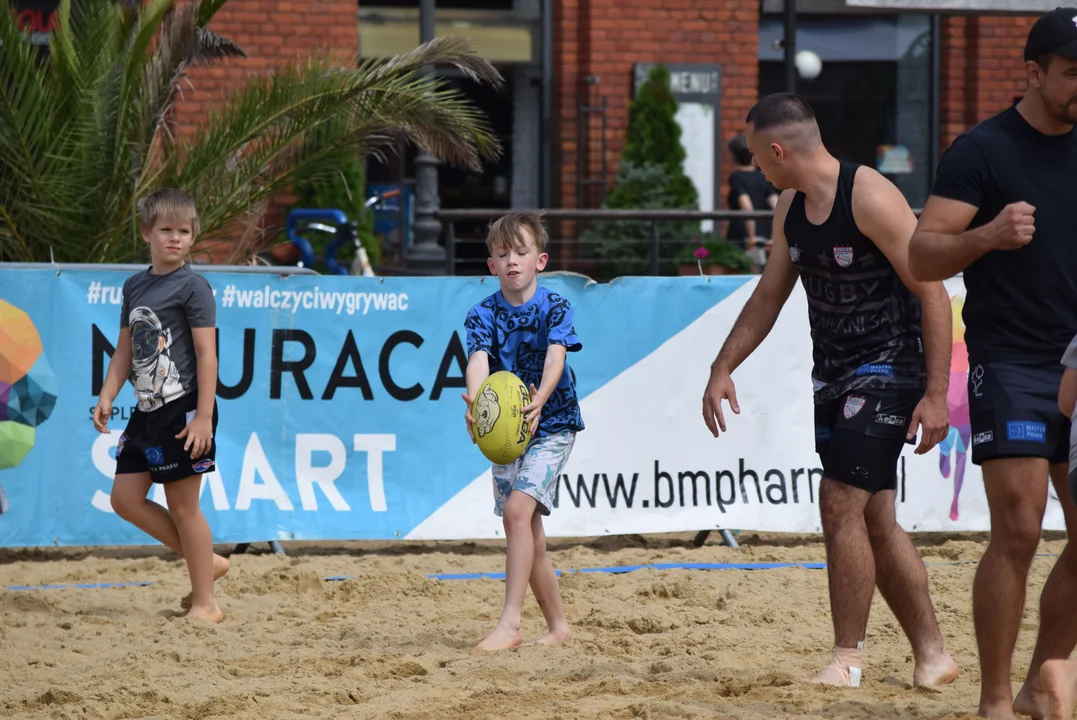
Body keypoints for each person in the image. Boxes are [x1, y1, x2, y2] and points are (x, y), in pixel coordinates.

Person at [701, 92, 959, 688]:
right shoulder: (789, 206)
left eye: (756, 158)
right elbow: (770, 295)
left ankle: (848, 658)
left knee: (840, 499)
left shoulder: (869, 195)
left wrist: (936, 395)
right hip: (833, 376)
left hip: (890, 369)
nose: (753, 170)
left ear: (777, 150)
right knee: (876, 520)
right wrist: (722, 367)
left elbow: (933, 292)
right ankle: (933, 654)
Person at [907, 9, 1077, 719]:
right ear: (1032, 73)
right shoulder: (980, 151)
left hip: (1076, 360)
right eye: (1071, 75)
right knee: (1018, 525)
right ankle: (993, 699)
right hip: (1011, 358)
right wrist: (986, 234)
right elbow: (920, 255)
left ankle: (1046, 679)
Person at [92, 188, 226, 624]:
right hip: (146, 412)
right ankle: (208, 559)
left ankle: (205, 604)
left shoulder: (194, 286)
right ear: (147, 231)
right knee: (125, 499)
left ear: (192, 236)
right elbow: (124, 351)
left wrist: (204, 416)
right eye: (166, 230)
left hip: (184, 410)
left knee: (185, 507)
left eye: (184, 231)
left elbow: (208, 355)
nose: (175, 238)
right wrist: (108, 394)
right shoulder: (134, 285)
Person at [461, 210, 584, 651]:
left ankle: (510, 624)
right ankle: (558, 627)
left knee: (516, 514)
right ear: (492, 265)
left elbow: (557, 357)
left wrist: (541, 398)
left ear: (541, 260)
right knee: (528, 531)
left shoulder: (556, 306)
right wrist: (477, 403)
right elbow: (477, 360)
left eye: (521, 251)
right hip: (506, 432)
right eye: (502, 253)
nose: (512, 260)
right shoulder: (482, 314)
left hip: (551, 424)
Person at [726, 134, 779, 268]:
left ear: (733, 156)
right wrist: (774, 237)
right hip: (763, 236)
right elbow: (776, 205)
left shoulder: (736, 177)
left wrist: (751, 236)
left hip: (742, 237)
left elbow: (746, 205)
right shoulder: (762, 176)